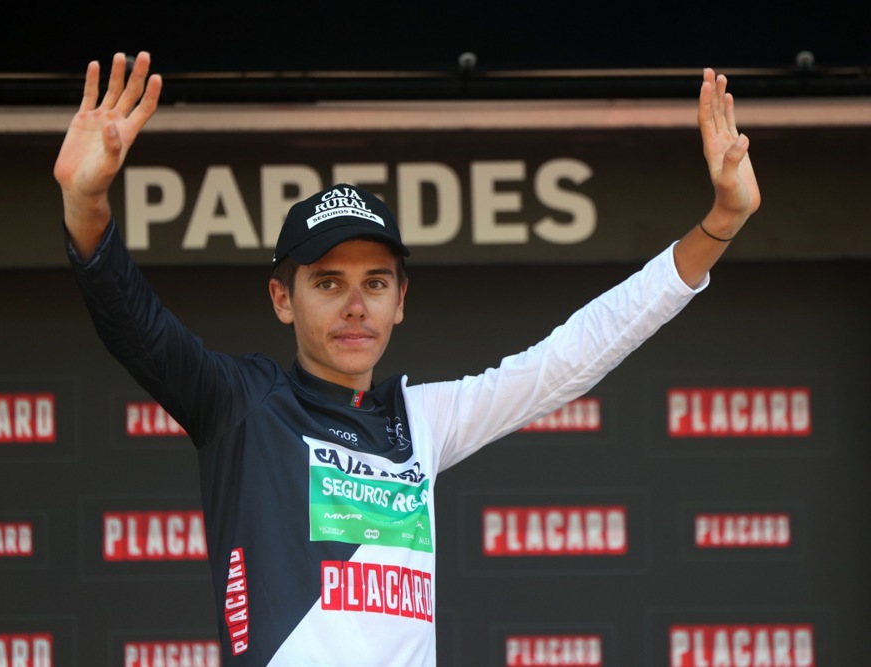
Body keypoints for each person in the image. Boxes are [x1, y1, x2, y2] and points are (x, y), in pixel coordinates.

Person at [55, 51, 759, 666]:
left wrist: (719, 224)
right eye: (327, 283)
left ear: (402, 301)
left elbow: (569, 356)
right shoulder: (243, 405)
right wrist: (87, 204)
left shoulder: (420, 418)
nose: (355, 305)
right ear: (282, 298)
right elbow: (135, 324)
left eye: (376, 283)